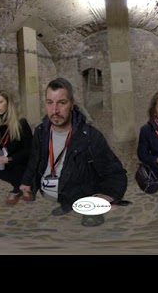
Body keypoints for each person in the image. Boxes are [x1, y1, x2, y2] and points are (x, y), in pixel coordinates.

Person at [19, 78, 127, 227]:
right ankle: (66, 204)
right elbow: (34, 159)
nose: (54, 110)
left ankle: (91, 212)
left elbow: (116, 173)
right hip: (56, 190)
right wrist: (26, 181)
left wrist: (108, 196)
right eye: (50, 102)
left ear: (72, 103)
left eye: (62, 103)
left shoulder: (90, 136)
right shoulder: (40, 132)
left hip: (83, 193)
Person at [0, 90, 33, 205]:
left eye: (1, 102)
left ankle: (24, 186)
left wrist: (9, 159)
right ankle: (18, 186)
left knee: (17, 168)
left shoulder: (21, 123)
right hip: (6, 160)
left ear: (8, 103)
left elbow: (29, 150)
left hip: (20, 161)